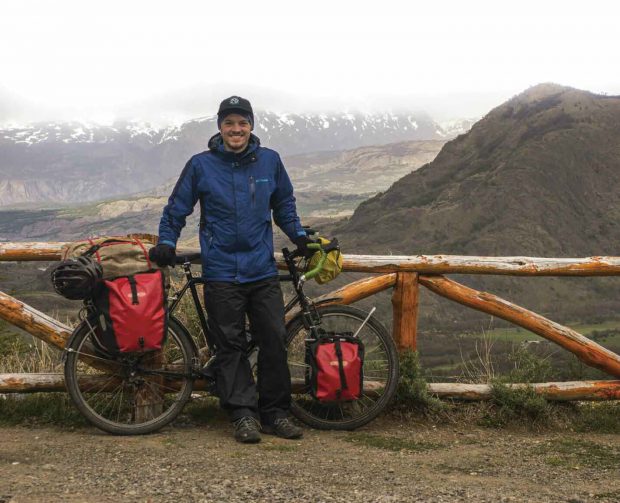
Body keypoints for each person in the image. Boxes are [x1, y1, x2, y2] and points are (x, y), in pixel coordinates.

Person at [149, 96, 313, 443]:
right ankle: (242, 415)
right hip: (221, 271)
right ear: (220, 127)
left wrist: (299, 235)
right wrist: (167, 240)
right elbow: (177, 208)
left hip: (261, 269)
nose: (236, 129)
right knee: (231, 345)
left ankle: (276, 414)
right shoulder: (201, 165)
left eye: (242, 122)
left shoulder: (270, 161)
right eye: (229, 123)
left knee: (273, 341)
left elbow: (283, 204)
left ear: (251, 125)